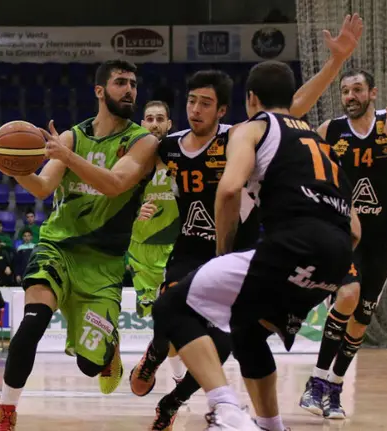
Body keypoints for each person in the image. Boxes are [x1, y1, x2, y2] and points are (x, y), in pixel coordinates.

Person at [128, 14, 363, 431]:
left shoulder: (245, 131)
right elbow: (356, 230)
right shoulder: (312, 141)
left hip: (257, 247)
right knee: (246, 332)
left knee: (175, 310)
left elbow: (230, 189)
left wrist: (223, 254)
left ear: (239, 103)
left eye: (206, 103)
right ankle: (271, 425)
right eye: (191, 101)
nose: (196, 109)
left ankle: (225, 409)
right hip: (331, 257)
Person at [0, 59, 159, 430]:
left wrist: (67, 157)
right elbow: (42, 187)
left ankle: (108, 348)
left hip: (103, 263)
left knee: (89, 365)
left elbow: (115, 184)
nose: (129, 90)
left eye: (133, 84)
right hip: (57, 248)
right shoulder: (71, 136)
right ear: (100, 91)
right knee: (31, 325)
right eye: (120, 82)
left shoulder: (143, 142)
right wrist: (11, 166)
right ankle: (6, 413)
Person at [300, 69, 387, 419]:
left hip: (382, 237)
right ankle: (316, 381)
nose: (350, 96)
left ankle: (334, 387)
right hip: (344, 235)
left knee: (361, 318)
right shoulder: (330, 130)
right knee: (347, 296)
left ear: (372, 93)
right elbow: (308, 176)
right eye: (345, 91)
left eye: (357, 89)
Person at [129, 100, 178, 318]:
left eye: (160, 119)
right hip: (141, 248)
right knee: (149, 313)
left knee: (177, 310)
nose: (155, 124)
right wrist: (134, 212)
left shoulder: (182, 157)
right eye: (150, 119)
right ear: (142, 124)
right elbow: (112, 197)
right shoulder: (130, 159)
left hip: (176, 244)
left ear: (169, 124)